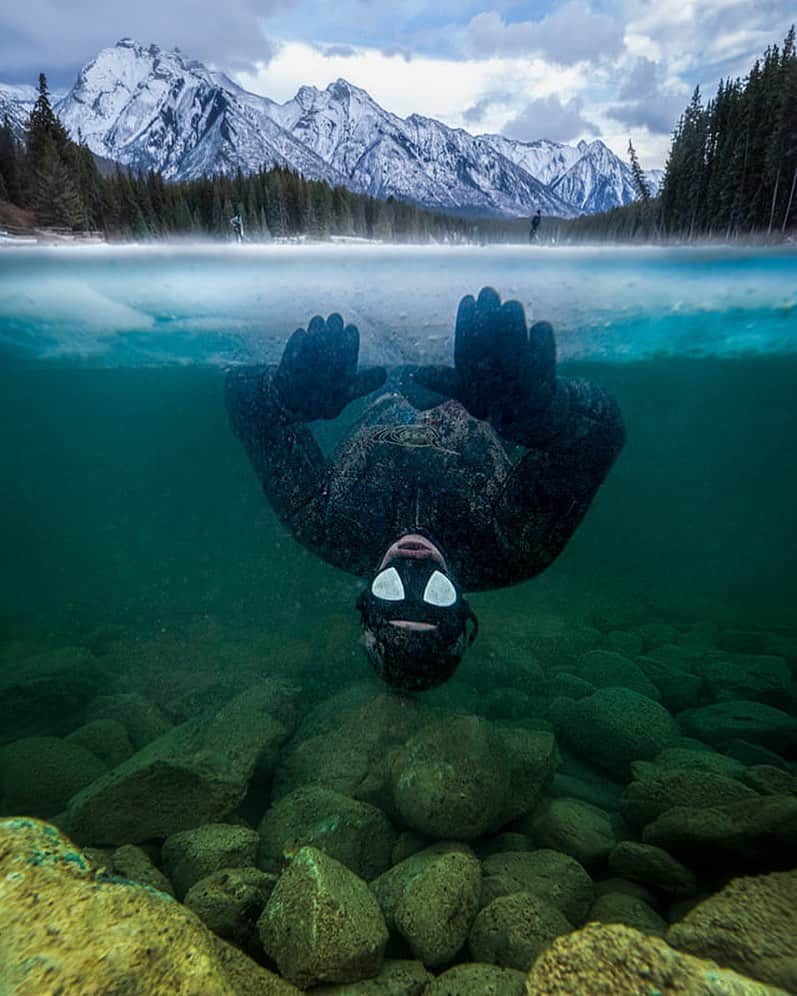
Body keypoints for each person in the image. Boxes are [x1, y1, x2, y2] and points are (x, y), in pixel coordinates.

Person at [226, 287, 624, 691]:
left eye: (390, 590)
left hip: (374, 341)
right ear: (462, 606)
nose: (413, 568)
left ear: (366, 601)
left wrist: (281, 396)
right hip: (477, 361)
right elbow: (599, 438)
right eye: (437, 594)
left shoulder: (325, 524)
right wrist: (545, 412)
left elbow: (242, 400)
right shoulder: (511, 546)